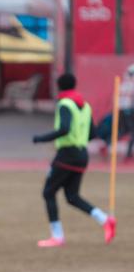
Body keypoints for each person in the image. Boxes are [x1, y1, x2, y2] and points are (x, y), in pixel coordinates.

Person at [32, 73, 116, 247]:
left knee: (48, 192)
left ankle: (57, 236)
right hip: (82, 155)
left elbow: (64, 128)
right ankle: (105, 219)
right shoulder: (85, 105)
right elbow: (93, 133)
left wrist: (41, 138)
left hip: (67, 154)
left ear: (59, 86)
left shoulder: (65, 104)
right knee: (72, 196)